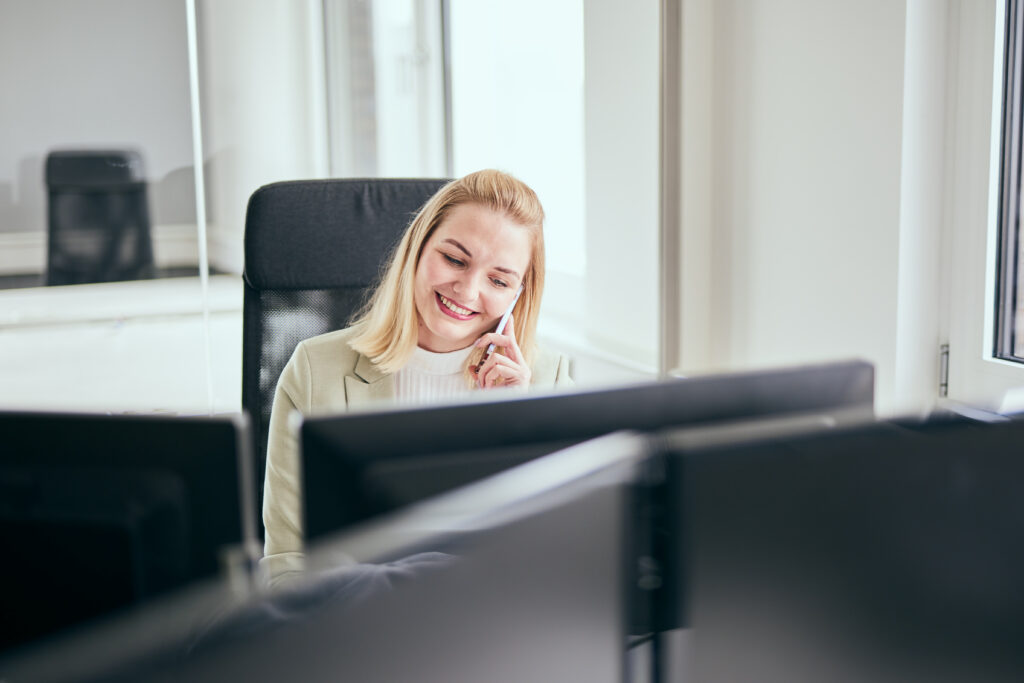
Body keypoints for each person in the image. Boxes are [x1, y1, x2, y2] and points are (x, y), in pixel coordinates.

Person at [261, 169, 573, 582]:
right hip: (352, 621)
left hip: (488, 624)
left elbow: (558, 562)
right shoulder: (316, 369)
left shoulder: (545, 381)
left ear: (519, 294)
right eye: (454, 259)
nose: (466, 290)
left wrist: (514, 417)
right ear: (417, 250)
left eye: (498, 280)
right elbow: (287, 563)